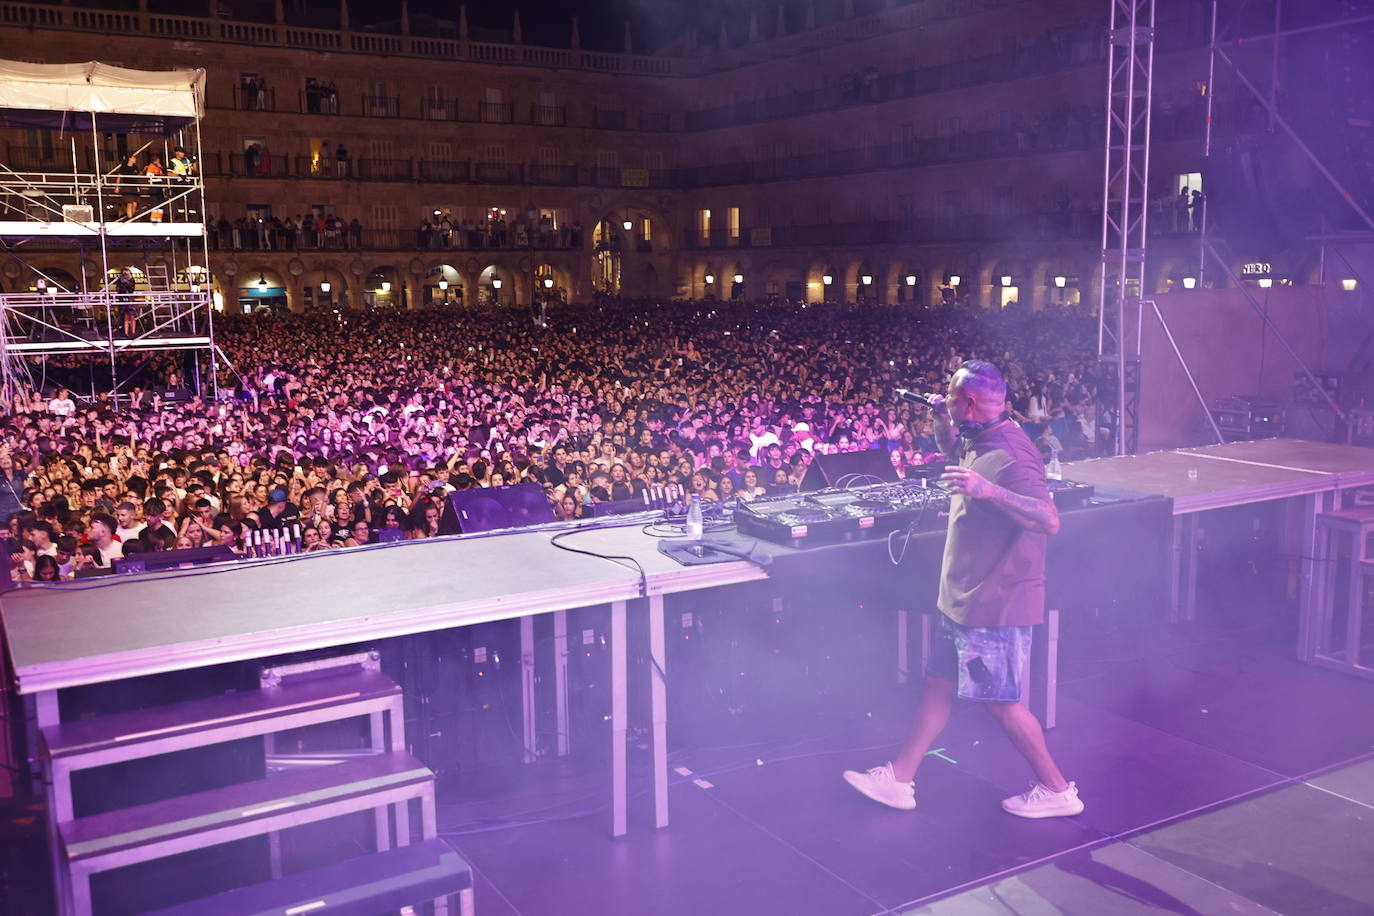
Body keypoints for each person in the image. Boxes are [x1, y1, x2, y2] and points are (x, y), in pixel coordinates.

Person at [843, 359, 1081, 820]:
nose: (946, 399)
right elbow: (954, 452)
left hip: (996, 600)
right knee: (937, 686)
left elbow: (1049, 519)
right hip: (964, 596)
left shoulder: (1013, 452)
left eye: (950, 396)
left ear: (969, 402)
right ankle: (900, 779)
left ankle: (1057, 790)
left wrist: (987, 491)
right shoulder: (977, 435)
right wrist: (941, 422)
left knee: (1002, 704)